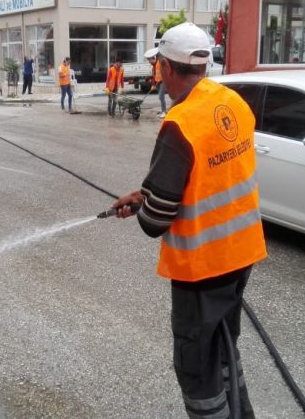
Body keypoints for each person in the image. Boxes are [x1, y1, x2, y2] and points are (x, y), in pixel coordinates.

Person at [111, 22, 267, 419]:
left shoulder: (180, 123)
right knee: (225, 344)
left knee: (196, 363)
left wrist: (144, 207)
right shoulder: (231, 102)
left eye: (158, 64)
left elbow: (155, 221)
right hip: (241, 253)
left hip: (203, 266)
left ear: (165, 67)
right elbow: (204, 179)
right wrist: (148, 194)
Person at [146, 48, 167, 118]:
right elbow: (154, 77)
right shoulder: (153, 67)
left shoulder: (160, 63)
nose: (149, 62)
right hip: (158, 82)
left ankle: (164, 112)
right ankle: (163, 111)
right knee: (160, 98)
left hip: (163, 81)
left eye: (150, 60)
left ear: (153, 58)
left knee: (161, 97)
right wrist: (153, 84)